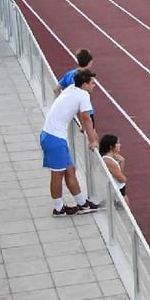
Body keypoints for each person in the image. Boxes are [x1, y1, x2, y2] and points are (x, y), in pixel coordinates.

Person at [40, 69, 102, 216]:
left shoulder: (71, 89)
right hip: (54, 138)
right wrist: (92, 140)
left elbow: (80, 114)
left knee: (70, 170)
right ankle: (59, 208)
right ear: (85, 84)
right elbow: (86, 117)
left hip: (53, 136)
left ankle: (82, 204)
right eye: (92, 83)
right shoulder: (83, 95)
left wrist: (83, 128)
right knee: (57, 174)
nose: (95, 85)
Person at [54, 49, 95, 130]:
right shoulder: (87, 77)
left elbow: (56, 89)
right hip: (86, 111)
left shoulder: (69, 74)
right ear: (90, 62)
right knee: (92, 134)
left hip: (74, 111)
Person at [99, 134, 127, 207]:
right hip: (118, 191)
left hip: (119, 189)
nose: (120, 145)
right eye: (117, 143)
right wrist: (124, 178)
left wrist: (122, 161)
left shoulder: (113, 158)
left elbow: (119, 173)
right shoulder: (109, 161)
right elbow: (122, 179)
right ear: (111, 146)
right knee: (125, 211)